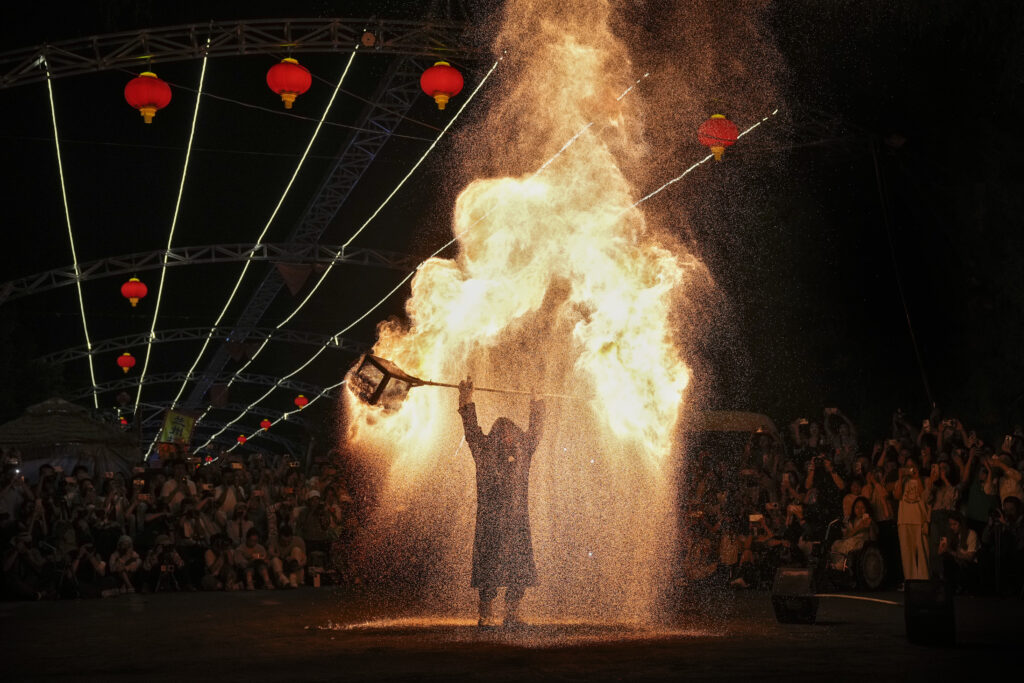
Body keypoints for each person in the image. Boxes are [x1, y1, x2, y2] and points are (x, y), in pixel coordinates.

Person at [457, 376, 545, 629]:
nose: (508, 437)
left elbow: (537, 429)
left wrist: (537, 400)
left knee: (520, 569)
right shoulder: (484, 451)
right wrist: (466, 398)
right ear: (495, 435)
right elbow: (471, 429)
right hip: (490, 522)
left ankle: (512, 615)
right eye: (502, 432)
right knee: (487, 571)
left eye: (511, 433)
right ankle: (485, 615)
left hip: (517, 521)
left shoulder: (523, 452)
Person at [895, 457, 930, 583]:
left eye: (912, 466)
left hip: (918, 519)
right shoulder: (902, 481)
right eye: (907, 466)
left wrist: (917, 477)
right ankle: (910, 581)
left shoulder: (923, 480)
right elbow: (897, 495)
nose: (910, 469)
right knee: (906, 552)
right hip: (904, 520)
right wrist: (900, 478)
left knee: (922, 550)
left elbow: (923, 495)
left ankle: (924, 580)